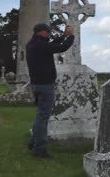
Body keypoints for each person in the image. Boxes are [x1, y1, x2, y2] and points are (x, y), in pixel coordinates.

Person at [26, 23, 75, 158]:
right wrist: (71, 36)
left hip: (37, 85)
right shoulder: (41, 46)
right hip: (45, 86)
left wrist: (63, 36)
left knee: (39, 115)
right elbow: (62, 47)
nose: (49, 34)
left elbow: (52, 45)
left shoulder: (33, 45)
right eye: (48, 32)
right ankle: (39, 150)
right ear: (41, 33)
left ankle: (34, 142)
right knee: (43, 117)